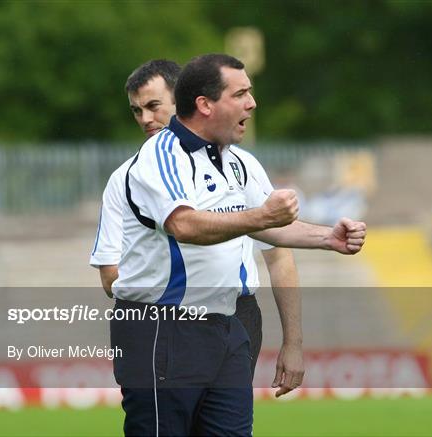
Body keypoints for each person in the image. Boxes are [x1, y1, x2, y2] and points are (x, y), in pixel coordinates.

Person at [109, 53, 366, 436]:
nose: (252, 103)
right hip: (164, 328)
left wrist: (326, 237)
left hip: (226, 326)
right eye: (241, 93)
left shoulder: (236, 161)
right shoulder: (159, 157)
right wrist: (262, 216)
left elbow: (271, 232)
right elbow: (184, 224)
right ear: (205, 105)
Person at [89, 59, 304, 393]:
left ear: (187, 101)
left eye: (153, 106)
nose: (145, 119)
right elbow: (110, 275)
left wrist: (293, 343)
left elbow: (278, 252)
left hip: (239, 313)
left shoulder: (239, 163)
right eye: (136, 111)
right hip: (166, 318)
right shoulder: (124, 178)